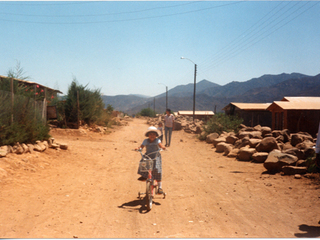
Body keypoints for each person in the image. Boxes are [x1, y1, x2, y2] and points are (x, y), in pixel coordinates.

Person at [136, 126, 166, 194]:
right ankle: (144, 175)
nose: (152, 136)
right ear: (148, 135)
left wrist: (162, 147)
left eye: (154, 134)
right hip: (148, 155)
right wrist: (138, 148)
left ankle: (160, 188)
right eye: (150, 134)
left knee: (157, 170)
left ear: (156, 135)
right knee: (142, 163)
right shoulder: (145, 140)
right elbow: (141, 146)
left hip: (156, 156)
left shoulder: (157, 140)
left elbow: (160, 145)